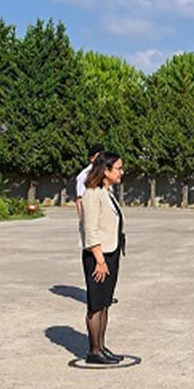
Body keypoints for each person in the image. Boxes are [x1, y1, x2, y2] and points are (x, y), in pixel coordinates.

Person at [80, 152, 127, 365]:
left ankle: (101, 346)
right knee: (96, 304)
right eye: (118, 168)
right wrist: (99, 260)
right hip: (98, 257)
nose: (122, 172)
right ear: (106, 170)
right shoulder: (93, 193)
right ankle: (93, 350)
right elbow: (90, 229)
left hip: (111, 253)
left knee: (105, 302)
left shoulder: (107, 192)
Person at [75, 143, 104, 222]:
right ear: (92, 158)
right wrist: (83, 222)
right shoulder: (84, 175)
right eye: (99, 156)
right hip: (91, 218)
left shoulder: (105, 173)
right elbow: (80, 200)